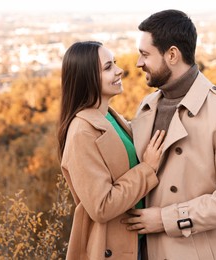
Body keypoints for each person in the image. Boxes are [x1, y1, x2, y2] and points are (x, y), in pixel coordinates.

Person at [121, 10, 216, 260]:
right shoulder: (147, 106)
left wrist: (166, 219)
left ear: (172, 55)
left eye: (145, 54)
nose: (138, 63)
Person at [57, 41, 165, 260]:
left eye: (114, 63)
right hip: (111, 248)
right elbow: (101, 206)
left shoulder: (109, 116)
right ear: (87, 78)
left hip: (139, 244)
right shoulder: (82, 133)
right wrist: (147, 169)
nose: (119, 70)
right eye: (108, 67)